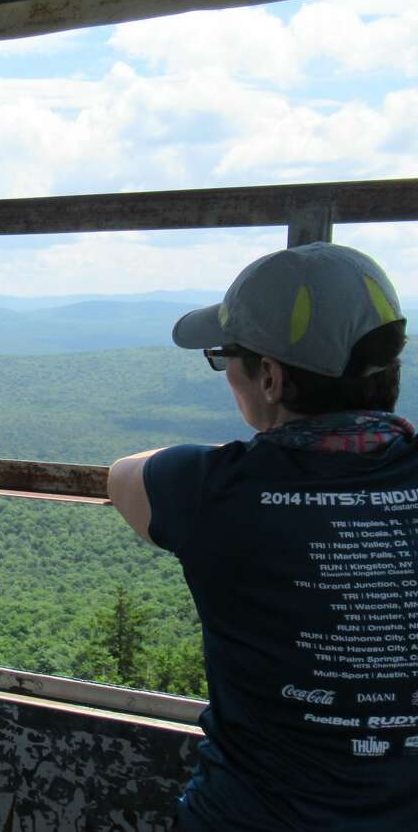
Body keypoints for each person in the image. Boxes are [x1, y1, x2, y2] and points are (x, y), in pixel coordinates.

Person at [107, 242, 418, 831]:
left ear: (270, 377)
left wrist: (245, 458)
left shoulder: (210, 491)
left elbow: (124, 476)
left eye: (227, 357)